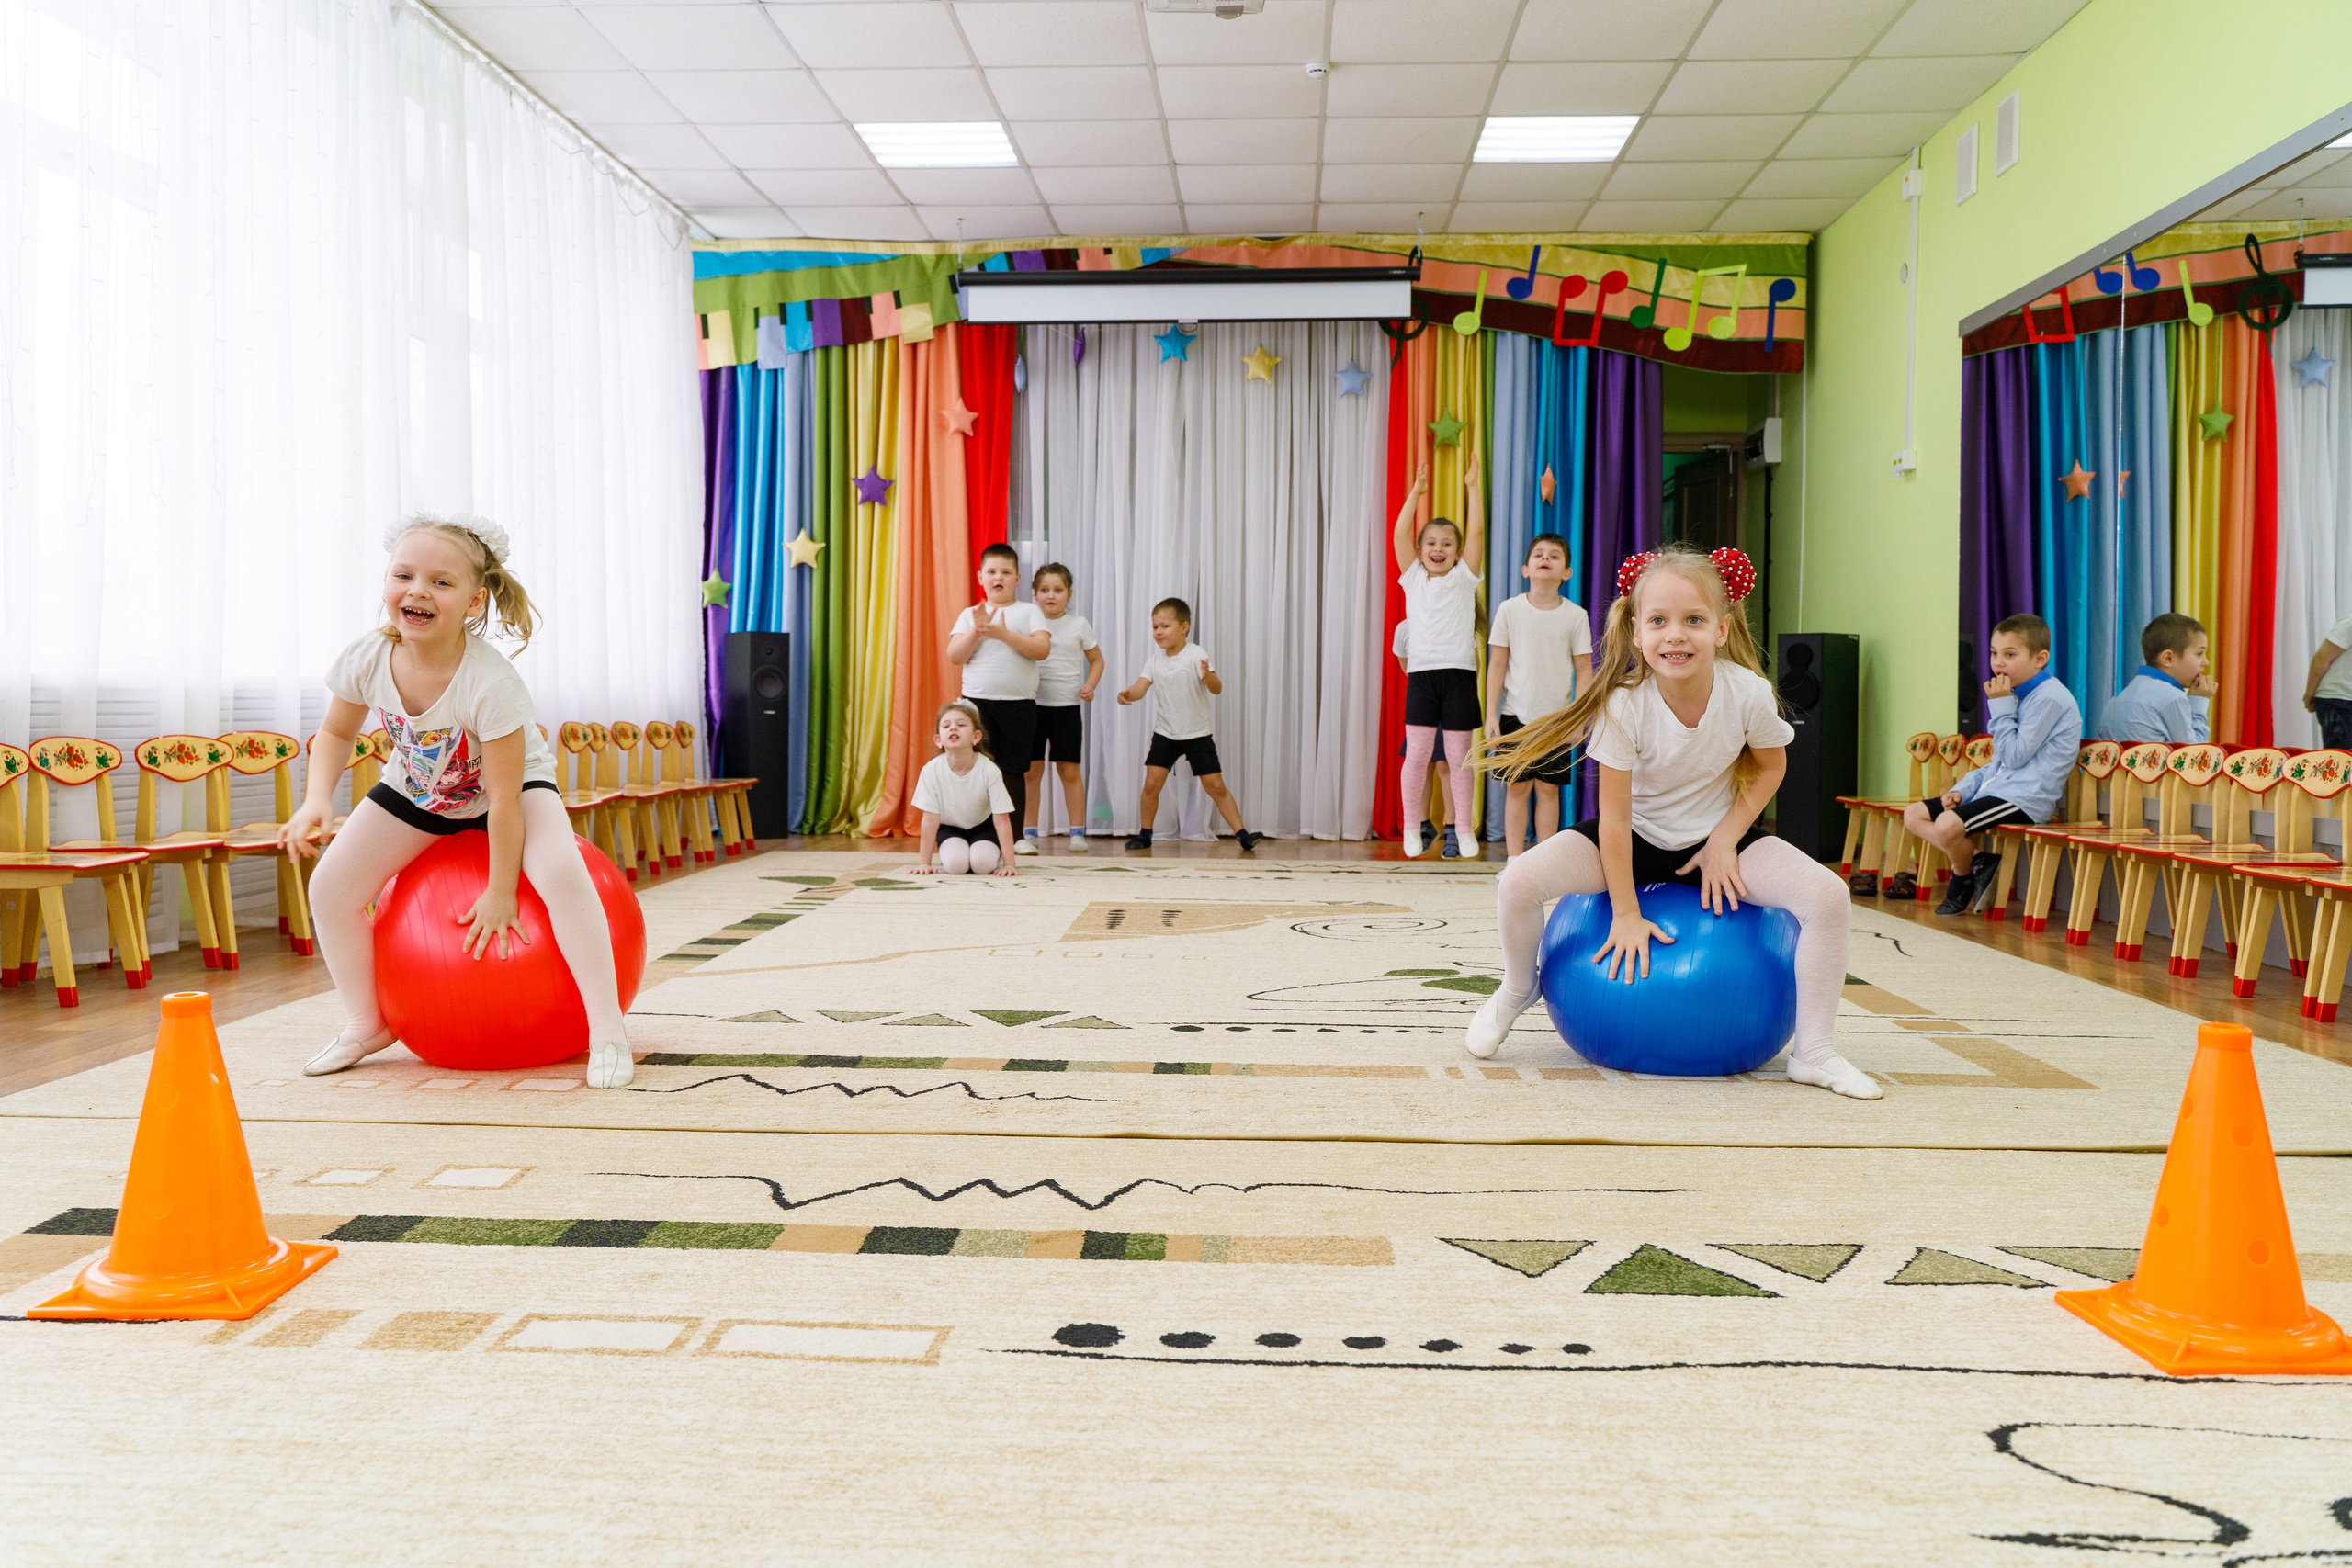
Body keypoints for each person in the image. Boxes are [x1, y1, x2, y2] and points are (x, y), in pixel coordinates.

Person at [1468, 543, 1881, 1100]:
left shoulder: (1749, 693)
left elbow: (1771, 767)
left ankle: (1814, 1053)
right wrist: (1627, 913)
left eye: (1693, 620)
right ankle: (1519, 987)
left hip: (1714, 839)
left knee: (1829, 896)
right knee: (1516, 882)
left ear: (1722, 628)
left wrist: (1725, 839)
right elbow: (1612, 823)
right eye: (1659, 621)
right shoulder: (1623, 703)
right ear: (1636, 631)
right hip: (1633, 838)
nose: (1676, 635)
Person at [281, 516, 634, 1089]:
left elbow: (501, 800)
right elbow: (337, 734)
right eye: (404, 575)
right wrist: (315, 799)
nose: (417, 589)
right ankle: (368, 1023)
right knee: (330, 887)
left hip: (513, 790)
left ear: (473, 602)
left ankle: (607, 1030)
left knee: (564, 874)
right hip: (419, 788)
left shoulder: (490, 682)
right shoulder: (366, 658)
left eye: (440, 583)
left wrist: (500, 892)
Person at [1899, 613, 2083, 916]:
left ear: (2040, 659)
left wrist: (2000, 706)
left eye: (2010, 654)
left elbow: (2014, 756)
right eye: (1994, 653)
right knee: (1914, 814)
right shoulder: (2017, 696)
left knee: (1946, 825)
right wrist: (1962, 790)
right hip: (1998, 789)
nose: (1998, 663)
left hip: (2025, 798)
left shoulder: (2050, 698)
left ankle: (1962, 875)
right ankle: (1977, 861)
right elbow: (1997, 764)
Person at [1392, 456, 1486, 859]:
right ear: (1419, 550)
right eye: (1431, 543)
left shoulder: (1465, 577)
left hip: (1459, 676)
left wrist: (1472, 487)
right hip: (1424, 677)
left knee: (1459, 758)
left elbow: (1479, 529)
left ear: (1459, 551)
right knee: (1417, 755)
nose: (1438, 549)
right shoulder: (1413, 578)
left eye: (1447, 544)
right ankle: (1412, 827)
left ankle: (1462, 828)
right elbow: (1398, 535)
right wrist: (1416, 493)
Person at [1116, 597, 1262, 853]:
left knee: (1215, 786)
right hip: (1165, 733)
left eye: (1165, 626)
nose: (1159, 632)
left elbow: (1217, 689)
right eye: (1155, 627)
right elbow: (1141, 687)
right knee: (1151, 785)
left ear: (1184, 627)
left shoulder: (1196, 654)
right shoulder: (1154, 661)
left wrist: (1208, 676)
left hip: (1197, 734)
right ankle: (1145, 834)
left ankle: (1242, 834)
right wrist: (1129, 693)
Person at [1487, 532, 1595, 858]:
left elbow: (1584, 670)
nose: (1545, 559)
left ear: (1567, 573)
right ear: (1526, 569)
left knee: (1549, 791)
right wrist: (1491, 715)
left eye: (1554, 556)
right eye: (1538, 555)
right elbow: (1498, 664)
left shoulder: (1576, 616)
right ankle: (1515, 861)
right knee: (1517, 789)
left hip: (1558, 720)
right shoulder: (1509, 610)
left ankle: (1544, 863)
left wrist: (1578, 718)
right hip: (1515, 715)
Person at [946, 542, 1050, 850]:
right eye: (991, 572)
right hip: (977, 706)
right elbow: (954, 655)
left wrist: (1003, 634)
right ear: (980, 577)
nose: (998, 577)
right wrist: (976, 632)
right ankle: (976, 834)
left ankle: (1015, 837)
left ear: (1017, 578)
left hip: (1019, 706)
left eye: (1006, 572)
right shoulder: (970, 615)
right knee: (975, 769)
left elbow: (1042, 649)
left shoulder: (1030, 611)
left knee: (1013, 771)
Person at [1023, 562, 1102, 855]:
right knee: (1031, 772)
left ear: (1068, 593)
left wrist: (1090, 686)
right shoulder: (1028, 621)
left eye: (1058, 590)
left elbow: (1097, 660)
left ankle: (1077, 832)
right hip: (1031, 706)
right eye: (1044, 590)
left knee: (1069, 771)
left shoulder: (1079, 624)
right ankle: (1029, 831)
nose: (1051, 596)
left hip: (1066, 707)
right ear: (1034, 594)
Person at [910, 701, 1018, 877]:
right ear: (938, 740)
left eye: (960, 725)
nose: (953, 728)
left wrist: (1010, 864)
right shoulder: (930, 770)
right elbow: (929, 820)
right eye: (946, 726)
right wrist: (924, 863)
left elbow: (1002, 819)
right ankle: (956, 853)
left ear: (976, 737)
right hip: (950, 829)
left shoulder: (989, 770)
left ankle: (992, 854)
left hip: (984, 827)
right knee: (956, 866)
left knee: (982, 865)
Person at [2100, 612, 2213, 743]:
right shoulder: (2172, 697)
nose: (2206, 662)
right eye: (2199, 653)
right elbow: (2194, 757)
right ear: (2168, 658)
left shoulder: (2118, 699)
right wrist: (2199, 701)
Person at [2302, 611, 2352, 749]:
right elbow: (2321, 658)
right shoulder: (2350, 622)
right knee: (2342, 760)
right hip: (2338, 699)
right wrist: (2310, 694)